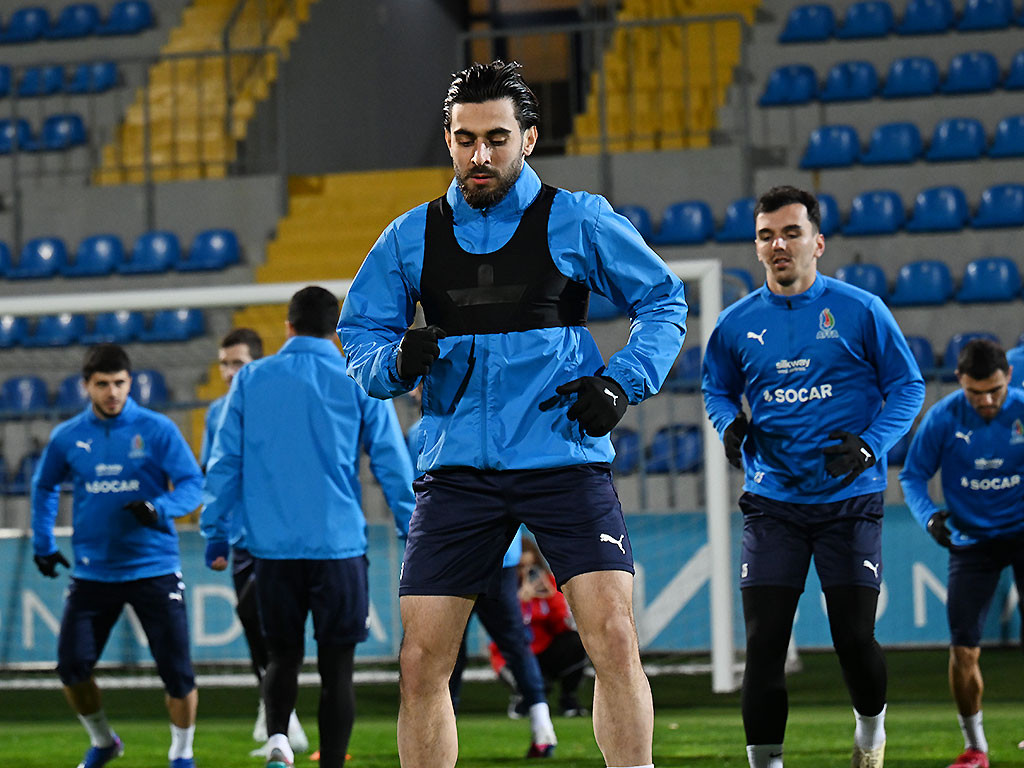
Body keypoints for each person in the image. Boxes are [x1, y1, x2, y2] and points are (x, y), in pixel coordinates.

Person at [338, 60, 687, 768]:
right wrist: (395, 362)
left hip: (563, 458)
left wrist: (622, 383)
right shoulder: (409, 236)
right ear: (448, 139)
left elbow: (664, 300)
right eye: (466, 139)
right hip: (456, 471)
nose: (480, 154)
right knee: (421, 661)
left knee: (615, 638)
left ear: (527, 138)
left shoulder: (578, 217)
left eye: (496, 138)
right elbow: (361, 337)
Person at [701, 185, 925, 768]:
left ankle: (870, 731)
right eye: (766, 236)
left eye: (791, 233)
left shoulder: (861, 310)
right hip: (772, 501)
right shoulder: (734, 323)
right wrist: (728, 423)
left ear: (817, 243)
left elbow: (908, 387)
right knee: (764, 642)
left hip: (849, 500)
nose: (779, 245)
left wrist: (871, 446)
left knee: (853, 639)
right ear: (756, 247)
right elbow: (717, 388)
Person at [202, 286, 416, 768]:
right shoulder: (356, 377)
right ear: (335, 331)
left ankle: (278, 740)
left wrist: (215, 531)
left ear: (288, 326)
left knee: (281, 656)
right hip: (337, 547)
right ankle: (330, 762)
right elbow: (391, 461)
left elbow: (224, 462)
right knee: (337, 670)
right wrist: (411, 527)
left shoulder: (251, 379)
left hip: (271, 551)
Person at [31, 343, 204, 768]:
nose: (112, 392)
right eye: (103, 384)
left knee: (177, 673)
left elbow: (192, 484)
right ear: (86, 386)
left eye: (120, 383)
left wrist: (159, 508)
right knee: (71, 667)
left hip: (154, 568)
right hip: (94, 572)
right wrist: (43, 543)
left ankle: (182, 755)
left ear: (130, 383)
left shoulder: (157, 429)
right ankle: (104, 741)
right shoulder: (68, 436)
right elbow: (45, 486)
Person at [405, 398, 558, 754]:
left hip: (451, 557)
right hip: (500, 554)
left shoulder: (420, 432)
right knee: (513, 643)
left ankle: (440, 736)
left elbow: (415, 490)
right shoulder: (502, 420)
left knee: (443, 650)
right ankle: (542, 724)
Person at [899, 339, 1024, 768]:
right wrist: (929, 518)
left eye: (994, 390)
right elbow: (913, 476)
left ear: (1009, 377)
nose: (986, 401)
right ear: (959, 381)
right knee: (963, 650)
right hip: (971, 542)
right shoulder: (943, 417)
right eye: (975, 392)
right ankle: (975, 748)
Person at [199, 328, 308, 756]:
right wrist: (217, 533)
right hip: (241, 536)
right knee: (252, 625)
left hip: (277, 534)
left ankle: (283, 714)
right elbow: (215, 473)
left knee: (272, 621)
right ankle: (275, 710)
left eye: (237, 363)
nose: (228, 372)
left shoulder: (276, 404)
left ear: (257, 364)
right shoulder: (215, 413)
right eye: (224, 364)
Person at [493, 535, 589, 719]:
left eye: (530, 566)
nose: (525, 572)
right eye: (520, 567)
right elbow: (503, 630)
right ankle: (523, 697)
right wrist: (519, 603)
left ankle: (568, 698)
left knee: (575, 643)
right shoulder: (503, 590)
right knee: (531, 678)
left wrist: (551, 598)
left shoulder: (547, 584)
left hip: (544, 650)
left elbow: (561, 626)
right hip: (514, 654)